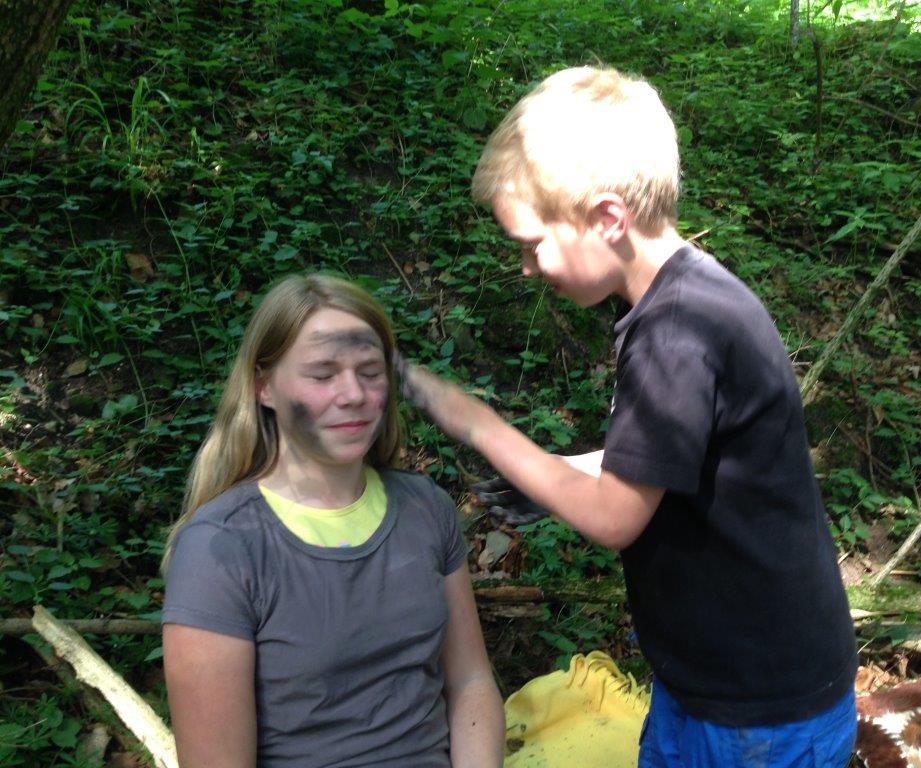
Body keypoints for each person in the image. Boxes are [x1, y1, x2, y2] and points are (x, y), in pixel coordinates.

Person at [398, 66, 858, 768]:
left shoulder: (676, 331)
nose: (526, 268)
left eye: (532, 244)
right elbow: (665, 460)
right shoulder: (683, 299)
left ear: (608, 219)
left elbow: (616, 518)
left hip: (758, 710)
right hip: (707, 683)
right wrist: (560, 474)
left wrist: (478, 423)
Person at [161, 273, 504, 768]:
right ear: (263, 387)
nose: (353, 394)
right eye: (322, 375)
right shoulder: (220, 549)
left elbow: (470, 681)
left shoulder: (426, 508)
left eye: (370, 371)